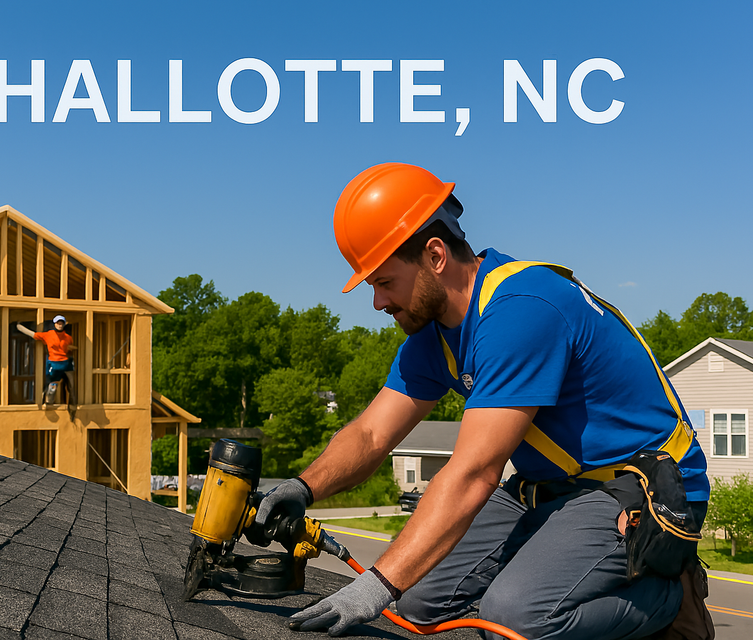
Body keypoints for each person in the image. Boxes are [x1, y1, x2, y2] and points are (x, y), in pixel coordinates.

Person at [256, 163, 709, 639]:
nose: (377, 302)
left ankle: (668, 596)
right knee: (418, 600)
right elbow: (371, 433)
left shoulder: (521, 309)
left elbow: (474, 472)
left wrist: (374, 586)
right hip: (550, 488)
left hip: (637, 486)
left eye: (384, 282)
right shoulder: (435, 338)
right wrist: (302, 488)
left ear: (434, 255)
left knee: (514, 620)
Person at [16, 315, 77, 407]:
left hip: (65, 363)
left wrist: (73, 350)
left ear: (64, 324)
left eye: (61, 323)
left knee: (71, 386)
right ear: (54, 324)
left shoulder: (68, 338)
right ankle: (48, 401)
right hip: (54, 363)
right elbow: (34, 335)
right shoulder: (49, 335)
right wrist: (19, 327)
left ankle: (71, 404)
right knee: (52, 385)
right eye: (58, 323)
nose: (60, 325)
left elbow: (69, 350)